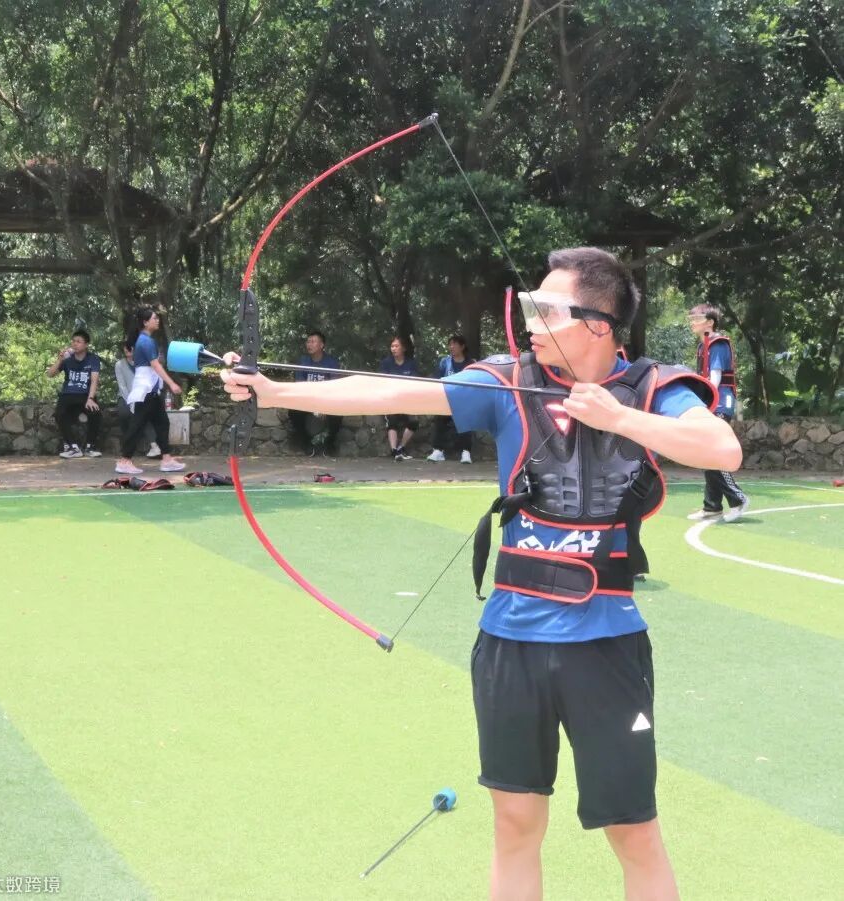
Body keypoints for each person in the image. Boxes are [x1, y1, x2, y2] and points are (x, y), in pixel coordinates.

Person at [219, 247, 743, 901]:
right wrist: (274, 390)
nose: (529, 322)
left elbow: (722, 447)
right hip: (509, 644)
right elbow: (393, 391)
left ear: (598, 324)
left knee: (632, 831)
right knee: (514, 824)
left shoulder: (656, 388)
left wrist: (617, 417)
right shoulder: (507, 381)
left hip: (606, 648)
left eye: (546, 310)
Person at [686, 303, 749, 523]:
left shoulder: (717, 344)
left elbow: (715, 379)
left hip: (720, 403)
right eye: (691, 319)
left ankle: (738, 499)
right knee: (707, 454)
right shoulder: (703, 345)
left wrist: (701, 402)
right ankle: (712, 506)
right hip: (710, 403)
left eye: (697, 319)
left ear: (710, 322)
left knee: (713, 453)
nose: (692, 323)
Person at [116, 307, 185, 475]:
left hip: (151, 391)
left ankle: (166, 459)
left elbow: (155, 365)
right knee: (137, 426)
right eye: (154, 318)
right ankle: (124, 461)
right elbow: (155, 365)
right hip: (145, 391)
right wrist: (171, 383)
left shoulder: (146, 341)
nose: (157, 320)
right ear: (145, 322)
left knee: (162, 423)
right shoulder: (145, 341)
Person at [46, 329, 102, 458]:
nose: (75, 344)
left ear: (86, 344)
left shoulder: (93, 359)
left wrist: (91, 398)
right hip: (68, 394)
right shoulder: (67, 359)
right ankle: (73, 447)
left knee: (96, 414)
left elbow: (94, 380)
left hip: (85, 395)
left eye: (78, 341)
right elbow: (50, 374)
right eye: (73, 341)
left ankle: (90, 447)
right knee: (60, 414)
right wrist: (60, 360)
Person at [288, 330, 343, 456]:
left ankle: (329, 443)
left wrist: (323, 405)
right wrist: (312, 405)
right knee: (293, 412)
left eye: (313, 342)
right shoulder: (303, 361)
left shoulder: (331, 363)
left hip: (326, 401)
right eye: (308, 342)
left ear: (321, 345)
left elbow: (334, 387)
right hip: (307, 400)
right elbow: (300, 386)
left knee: (339, 412)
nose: (309, 344)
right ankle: (306, 442)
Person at [427, 334, 476, 463]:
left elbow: (475, 381)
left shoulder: (471, 363)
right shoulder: (445, 362)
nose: (451, 347)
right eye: (450, 344)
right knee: (440, 419)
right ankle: (438, 450)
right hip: (446, 399)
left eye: (455, 344)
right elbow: (437, 379)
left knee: (465, 420)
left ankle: (466, 452)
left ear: (462, 346)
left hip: (464, 400)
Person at [115, 342, 161, 459]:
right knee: (124, 413)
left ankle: (154, 446)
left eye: (130, 346)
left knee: (143, 412)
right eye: (125, 347)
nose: (127, 349)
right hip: (126, 396)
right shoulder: (119, 365)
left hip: (143, 396)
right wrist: (131, 401)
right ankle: (128, 443)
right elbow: (122, 386)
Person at [379, 336, 420, 461]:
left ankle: (401, 447)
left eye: (396, 346)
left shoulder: (411, 363)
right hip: (391, 398)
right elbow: (383, 382)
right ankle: (393, 450)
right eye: (392, 346)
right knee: (392, 421)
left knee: (414, 421)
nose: (394, 349)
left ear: (404, 348)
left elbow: (414, 382)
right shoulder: (386, 363)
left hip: (407, 398)